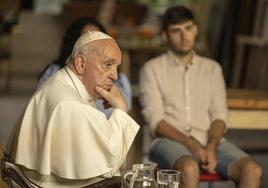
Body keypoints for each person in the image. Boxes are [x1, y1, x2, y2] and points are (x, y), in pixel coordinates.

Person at [139, 5, 262, 188]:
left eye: (188, 28)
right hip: (167, 142)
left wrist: (211, 147)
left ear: (195, 29)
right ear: (165, 35)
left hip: (211, 141)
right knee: (189, 168)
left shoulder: (212, 69)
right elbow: (156, 121)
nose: (184, 36)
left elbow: (219, 116)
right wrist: (191, 145)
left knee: (252, 170)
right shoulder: (152, 69)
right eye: (176, 31)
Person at [5, 31, 139, 187]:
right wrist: (121, 108)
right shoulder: (70, 105)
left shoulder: (61, 82)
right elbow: (109, 166)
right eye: (108, 65)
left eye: (116, 67)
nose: (115, 76)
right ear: (81, 64)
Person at [38, 16, 132, 118]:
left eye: (99, 38)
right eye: (88, 38)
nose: (114, 76)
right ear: (80, 62)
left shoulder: (120, 81)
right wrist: (121, 109)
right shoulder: (56, 76)